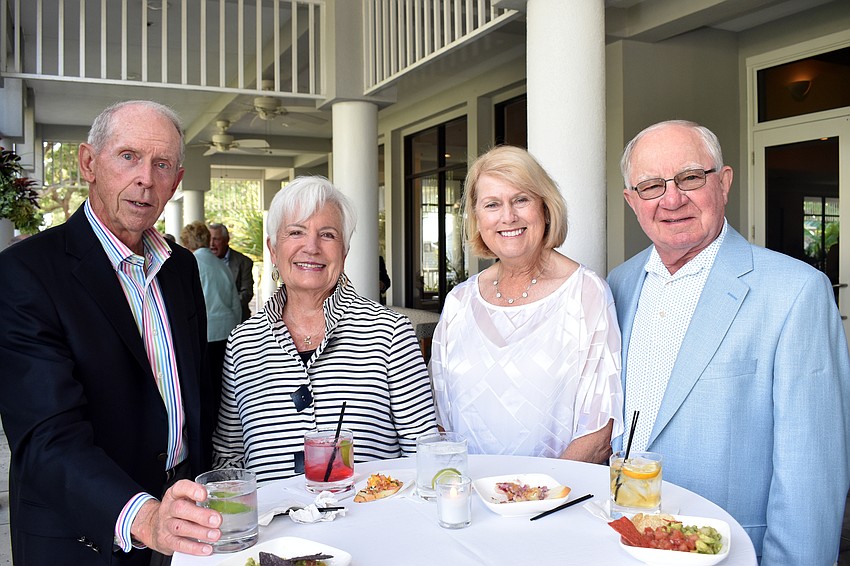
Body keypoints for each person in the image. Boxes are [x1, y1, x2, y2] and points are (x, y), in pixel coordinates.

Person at [608, 119, 850, 565]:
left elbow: (812, 473)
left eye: (690, 178)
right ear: (632, 201)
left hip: (733, 550)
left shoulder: (796, 292)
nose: (672, 199)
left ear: (724, 182)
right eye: (651, 186)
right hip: (625, 542)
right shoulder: (618, 285)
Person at [0, 100, 223, 565]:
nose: (146, 178)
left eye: (161, 164)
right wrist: (144, 518)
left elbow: (193, 390)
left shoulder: (180, 268)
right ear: (88, 163)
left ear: (176, 182)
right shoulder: (26, 273)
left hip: (184, 515)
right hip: (86, 532)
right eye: (128, 156)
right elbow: (45, 437)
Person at [212, 176, 438, 483]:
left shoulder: (389, 333)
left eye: (328, 235)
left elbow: (424, 454)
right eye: (296, 232)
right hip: (275, 529)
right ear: (274, 249)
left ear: (344, 251)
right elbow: (229, 455)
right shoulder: (243, 342)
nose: (312, 247)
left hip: (371, 526)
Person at [429, 145, 623, 463]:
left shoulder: (586, 294)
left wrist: (535, 500)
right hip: (470, 500)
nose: (508, 216)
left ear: (545, 208)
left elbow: (600, 432)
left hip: (555, 503)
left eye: (521, 200)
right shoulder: (459, 303)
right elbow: (438, 419)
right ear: (478, 219)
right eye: (492, 204)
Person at [180, 221, 241, 416]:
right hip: (227, 331)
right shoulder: (221, 265)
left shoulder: (190, 264)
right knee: (222, 386)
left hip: (205, 334)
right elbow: (235, 304)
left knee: (206, 387)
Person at [209, 222, 254, 321]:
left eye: (216, 239)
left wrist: (224, 306)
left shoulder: (244, 262)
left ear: (226, 240)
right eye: (209, 239)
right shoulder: (202, 262)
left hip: (237, 319)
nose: (211, 243)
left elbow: (247, 293)